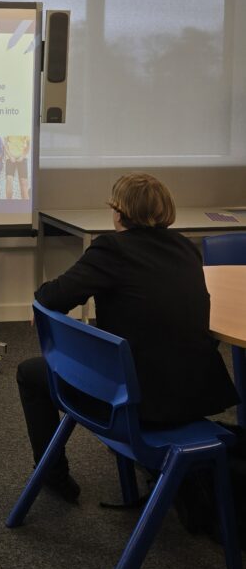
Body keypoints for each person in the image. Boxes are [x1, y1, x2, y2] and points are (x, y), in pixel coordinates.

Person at [16, 173, 239, 501]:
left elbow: (53, 297)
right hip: (193, 398)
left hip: (134, 402)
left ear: (119, 213)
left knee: (30, 374)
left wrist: (40, 302)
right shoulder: (185, 249)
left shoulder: (112, 249)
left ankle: (54, 475)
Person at [4, 135, 30, 200]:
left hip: (22, 158)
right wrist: (10, 156)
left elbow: (28, 146)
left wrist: (22, 156)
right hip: (10, 158)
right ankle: (9, 206)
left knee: (23, 183)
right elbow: (5, 144)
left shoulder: (25, 129)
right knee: (9, 180)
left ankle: (26, 207)